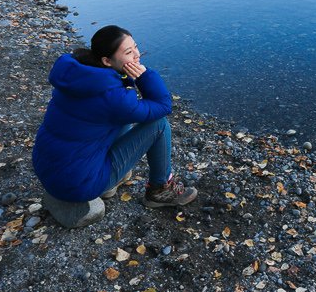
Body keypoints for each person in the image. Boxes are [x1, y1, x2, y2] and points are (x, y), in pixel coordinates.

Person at [32, 25, 198, 208]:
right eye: (129, 52)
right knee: (159, 124)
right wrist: (144, 76)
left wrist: (126, 75)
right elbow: (164, 105)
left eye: (135, 46)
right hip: (79, 184)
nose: (137, 55)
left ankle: (112, 181)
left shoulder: (78, 75)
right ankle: (159, 190)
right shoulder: (113, 98)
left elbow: (118, 105)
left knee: (121, 117)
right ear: (106, 61)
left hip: (50, 170)